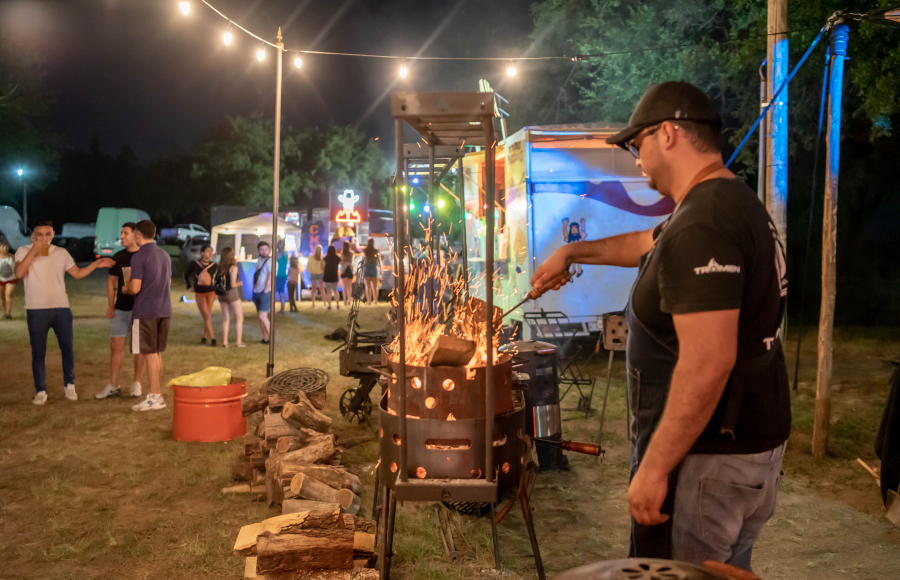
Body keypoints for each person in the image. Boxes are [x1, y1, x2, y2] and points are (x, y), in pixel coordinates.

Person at [531, 81, 790, 572]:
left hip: (707, 457)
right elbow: (646, 243)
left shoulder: (704, 223)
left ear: (668, 133)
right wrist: (572, 251)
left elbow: (709, 361)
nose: (634, 158)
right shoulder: (719, 204)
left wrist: (655, 467)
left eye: (636, 143)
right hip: (742, 450)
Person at [14, 220, 115, 405]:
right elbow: (19, 273)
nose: (44, 238)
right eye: (40, 234)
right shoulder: (23, 250)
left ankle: (69, 386)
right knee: (38, 352)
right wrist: (33, 251)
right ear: (33, 235)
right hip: (36, 309)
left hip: (61, 308)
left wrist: (95, 264)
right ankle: (41, 391)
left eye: (48, 234)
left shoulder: (61, 253)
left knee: (67, 349)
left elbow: (77, 273)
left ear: (53, 235)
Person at [122, 220, 172, 412]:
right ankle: (156, 394)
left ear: (138, 235)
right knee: (156, 353)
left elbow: (135, 288)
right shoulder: (164, 255)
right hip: (164, 309)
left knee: (149, 354)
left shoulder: (139, 256)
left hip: (146, 311)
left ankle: (155, 396)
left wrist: (125, 289)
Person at [95, 223, 145, 400]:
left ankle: (136, 383)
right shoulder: (119, 256)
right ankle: (114, 386)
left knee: (139, 347)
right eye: (121, 233)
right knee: (116, 345)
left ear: (135, 235)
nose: (122, 236)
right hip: (121, 308)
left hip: (140, 309)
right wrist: (111, 304)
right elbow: (111, 280)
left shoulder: (144, 255)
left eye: (125, 233)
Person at [184, 243, 218, 346]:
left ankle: (204, 336)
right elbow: (186, 274)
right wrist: (189, 286)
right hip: (200, 293)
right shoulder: (195, 264)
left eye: (211, 251)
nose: (210, 253)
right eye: (208, 251)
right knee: (206, 315)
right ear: (202, 253)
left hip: (211, 292)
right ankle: (213, 338)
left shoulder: (214, 265)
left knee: (207, 315)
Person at [216, 246, 244, 347]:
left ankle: (225, 342)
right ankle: (238, 342)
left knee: (225, 319)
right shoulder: (233, 267)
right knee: (239, 318)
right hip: (232, 295)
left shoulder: (219, 267)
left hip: (221, 295)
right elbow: (232, 284)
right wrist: (240, 283)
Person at [252, 241, 272, 343]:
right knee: (260, 317)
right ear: (259, 250)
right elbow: (257, 276)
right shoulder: (258, 261)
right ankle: (265, 338)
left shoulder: (271, 261)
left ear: (269, 250)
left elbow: (270, 277)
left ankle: (271, 338)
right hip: (256, 291)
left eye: (266, 249)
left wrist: (265, 291)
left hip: (265, 292)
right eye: (262, 250)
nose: (264, 251)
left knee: (262, 316)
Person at [0, 241, 17, 319]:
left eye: (6, 246)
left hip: (11, 279)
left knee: (9, 294)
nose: (5, 248)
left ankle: (8, 314)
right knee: (2, 296)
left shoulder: (12, 256)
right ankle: (5, 312)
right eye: (3, 246)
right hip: (1, 279)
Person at [362, 238, 381, 305]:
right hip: (374, 268)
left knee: (368, 286)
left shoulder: (365, 250)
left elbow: (363, 260)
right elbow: (379, 261)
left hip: (367, 268)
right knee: (375, 286)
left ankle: (369, 301)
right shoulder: (376, 251)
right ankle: (375, 300)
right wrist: (381, 270)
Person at [322, 245, 342, 310]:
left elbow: (323, 267)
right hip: (334, 275)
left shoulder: (326, 258)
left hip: (327, 275)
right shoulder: (337, 258)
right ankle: (337, 304)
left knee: (328, 291)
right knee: (335, 290)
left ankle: (329, 305)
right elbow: (341, 262)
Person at [340, 241, 357, 306]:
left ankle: (344, 301)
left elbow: (341, 262)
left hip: (344, 270)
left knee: (344, 286)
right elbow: (352, 262)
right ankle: (349, 300)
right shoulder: (352, 253)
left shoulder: (342, 253)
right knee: (349, 286)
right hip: (350, 270)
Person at [275, 246, 289, 314]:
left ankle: (269, 308)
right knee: (282, 292)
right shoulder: (285, 254)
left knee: (272, 292)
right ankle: (282, 308)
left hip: (277, 275)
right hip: (283, 275)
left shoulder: (277, 254)